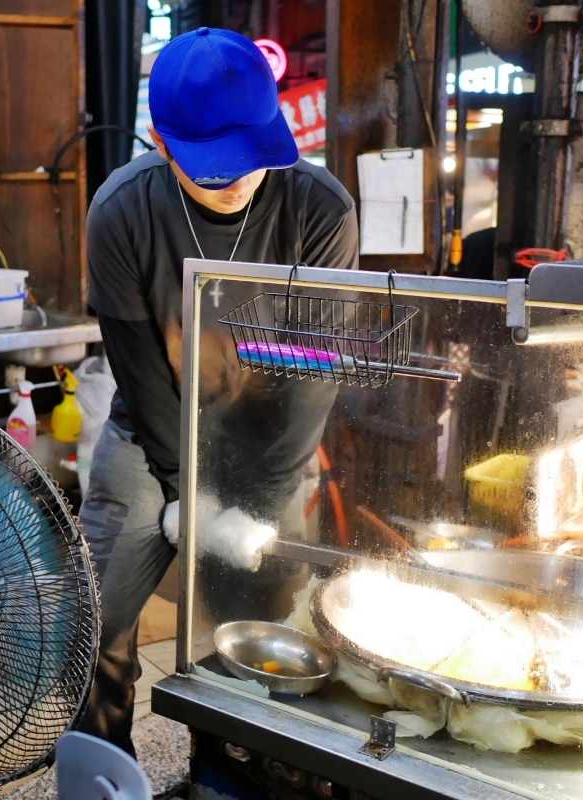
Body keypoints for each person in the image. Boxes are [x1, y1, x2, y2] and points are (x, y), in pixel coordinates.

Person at [76, 26, 359, 755]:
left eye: (252, 155)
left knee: (263, 621)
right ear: (162, 143)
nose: (237, 178)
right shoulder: (121, 214)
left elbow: (311, 383)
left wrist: (253, 508)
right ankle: (106, 763)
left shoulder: (320, 212)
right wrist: (188, 493)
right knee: (93, 620)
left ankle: (238, 765)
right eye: (214, 165)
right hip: (154, 431)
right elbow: (139, 372)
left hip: (272, 440)